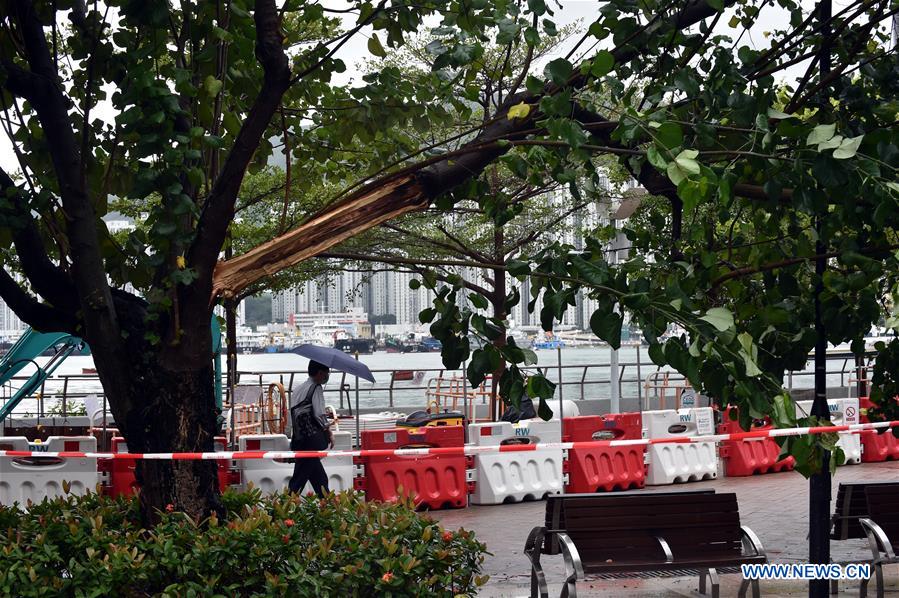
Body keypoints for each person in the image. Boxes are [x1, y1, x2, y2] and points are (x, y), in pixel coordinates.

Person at [287, 360, 333, 497]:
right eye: (326, 373)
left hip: (300, 438)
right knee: (298, 481)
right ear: (320, 373)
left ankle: (328, 508)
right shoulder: (316, 388)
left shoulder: (298, 389)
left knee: (319, 479)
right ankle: (282, 512)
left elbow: (292, 415)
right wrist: (329, 432)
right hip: (311, 440)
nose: (327, 376)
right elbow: (319, 414)